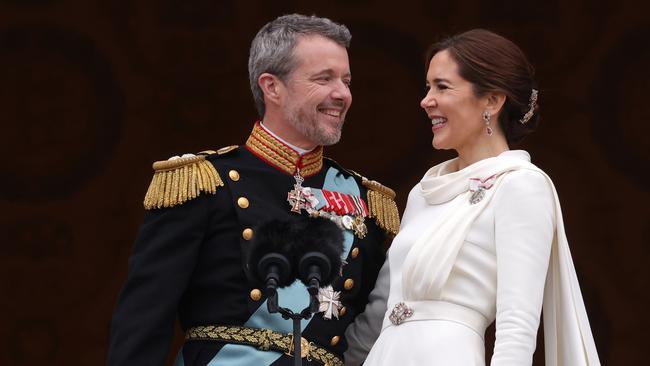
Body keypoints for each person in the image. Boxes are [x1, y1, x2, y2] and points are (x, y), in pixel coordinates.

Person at [107, 14, 400, 366]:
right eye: (324, 79)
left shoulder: (365, 201)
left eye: (346, 81)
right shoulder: (205, 183)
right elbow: (143, 321)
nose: (342, 94)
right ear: (271, 86)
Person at [344, 29, 600, 365]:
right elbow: (382, 307)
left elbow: (517, 326)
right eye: (427, 87)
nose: (426, 100)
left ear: (492, 101)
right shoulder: (425, 191)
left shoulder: (520, 187)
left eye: (442, 86)